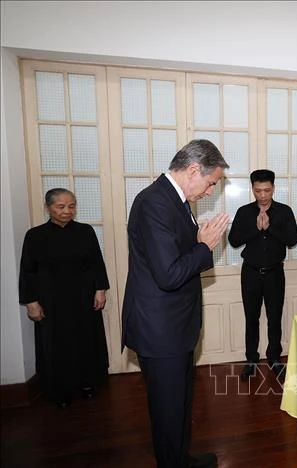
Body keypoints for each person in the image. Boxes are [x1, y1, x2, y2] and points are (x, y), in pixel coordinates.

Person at [122, 139, 230, 468]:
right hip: (161, 328)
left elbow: (177, 255)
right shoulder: (154, 202)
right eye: (211, 183)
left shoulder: (176, 200)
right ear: (194, 169)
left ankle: (181, 458)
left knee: (180, 404)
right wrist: (205, 246)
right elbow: (169, 274)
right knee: (168, 411)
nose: (211, 192)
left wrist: (197, 242)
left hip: (176, 326)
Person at [19, 188, 110, 409]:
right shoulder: (35, 235)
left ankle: (88, 383)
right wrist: (31, 302)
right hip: (51, 302)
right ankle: (59, 389)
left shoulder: (85, 231)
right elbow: (28, 271)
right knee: (56, 345)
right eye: (61, 207)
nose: (67, 211)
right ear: (48, 207)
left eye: (71, 206)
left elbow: (96, 263)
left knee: (86, 341)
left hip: (83, 299)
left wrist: (100, 290)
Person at [228, 169, 297, 382]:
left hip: (275, 273)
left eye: (267, 190)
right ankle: (251, 361)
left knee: (274, 317)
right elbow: (234, 240)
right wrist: (256, 229)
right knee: (252, 318)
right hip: (250, 273)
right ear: (252, 189)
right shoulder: (243, 212)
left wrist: (270, 228)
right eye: (258, 190)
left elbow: (292, 239)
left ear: (273, 188)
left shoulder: (284, 211)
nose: (262, 195)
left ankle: (275, 359)